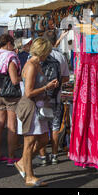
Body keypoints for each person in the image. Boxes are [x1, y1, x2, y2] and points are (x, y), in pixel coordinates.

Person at [14, 38, 59, 187]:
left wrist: (47, 87)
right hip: (30, 107)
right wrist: (47, 87)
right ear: (43, 51)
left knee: (44, 139)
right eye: (47, 51)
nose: (49, 54)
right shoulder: (32, 65)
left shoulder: (36, 64)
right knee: (29, 142)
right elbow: (28, 92)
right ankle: (29, 176)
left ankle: (22, 163)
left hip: (38, 106)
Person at [38, 30, 70, 165]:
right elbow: (66, 77)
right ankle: (55, 155)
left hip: (39, 96)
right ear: (54, 41)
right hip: (56, 97)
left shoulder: (36, 56)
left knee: (41, 126)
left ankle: (43, 156)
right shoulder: (60, 56)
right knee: (55, 126)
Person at [0, 34, 21, 166]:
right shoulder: (10, 57)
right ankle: (11, 156)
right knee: (11, 126)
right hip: (10, 93)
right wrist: (23, 77)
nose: (13, 47)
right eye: (12, 44)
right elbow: (14, 80)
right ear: (8, 43)